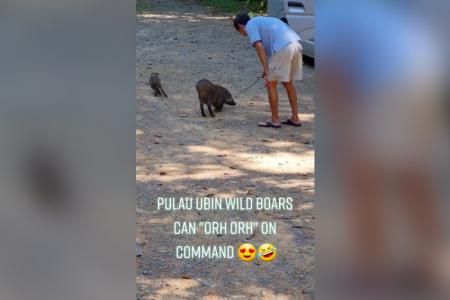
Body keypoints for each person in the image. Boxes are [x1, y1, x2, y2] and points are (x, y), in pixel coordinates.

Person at [233, 14, 303, 128]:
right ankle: (295, 118)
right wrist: (267, 68)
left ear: (241, 26)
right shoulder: (264, 21)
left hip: (283, 47)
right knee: (289, 83)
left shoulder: (250, 25)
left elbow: (259, 47)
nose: (243, 34)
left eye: (240, 31)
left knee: (271, 84)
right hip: (295, 44)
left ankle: (275, 120)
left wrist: (266, 70)